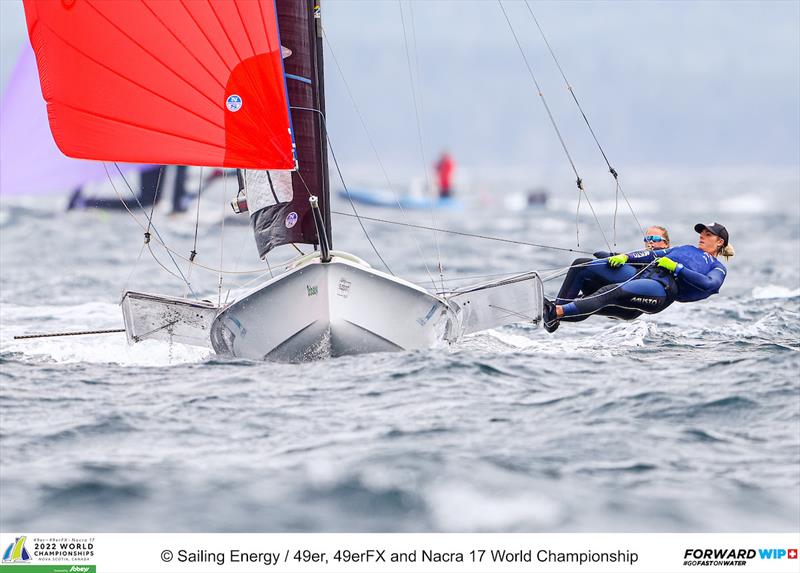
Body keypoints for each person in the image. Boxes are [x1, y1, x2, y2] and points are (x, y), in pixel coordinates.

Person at [543, 223, 734, 333]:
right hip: (645, 276)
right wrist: (625, 257)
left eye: (708, 235)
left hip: (662, 290)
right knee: (582, 265)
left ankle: (557, 311)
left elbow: (710, 284)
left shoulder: (717, 267)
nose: (702, 236)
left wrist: (678, 268)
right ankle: (555, 313)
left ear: (719, 242)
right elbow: (652, 255)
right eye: (702, 233)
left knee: (609, 292)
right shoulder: (685, 248)